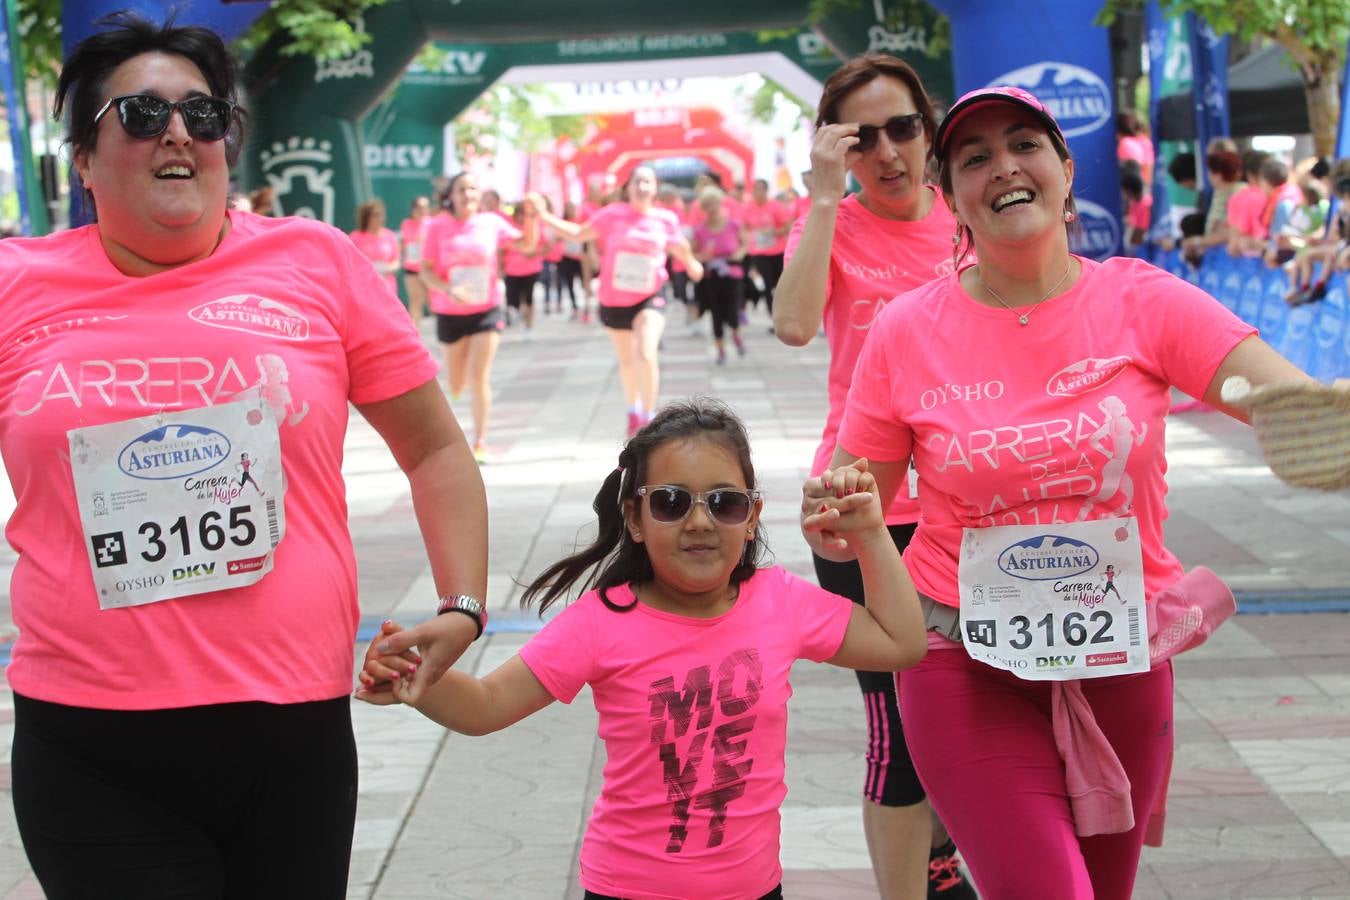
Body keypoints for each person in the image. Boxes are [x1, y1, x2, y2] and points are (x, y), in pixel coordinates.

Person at [0, 12, 489, 898]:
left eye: (205, 114)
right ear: (82, 158)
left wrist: (461, 607)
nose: (179, 132)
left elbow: (436, 452)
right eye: (143, 116)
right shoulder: (15, 286)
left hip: (290, 729)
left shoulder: (316, 260)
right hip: (90, 740)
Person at [812, 84, 1311, 899]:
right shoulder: (906, 329)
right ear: (951, 197)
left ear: (1066, 168)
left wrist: (1309, 418)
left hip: (1121, 652)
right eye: (975, 158)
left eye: (1024, 146)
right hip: (961, 657)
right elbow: (853, 493)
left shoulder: (1141, 300)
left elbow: (1290, 405)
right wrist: (840, 516)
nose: (1004, 168)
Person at [357, 398, 927, 900]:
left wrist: (871, 535)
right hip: (626, 892)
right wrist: (416, 676)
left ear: (752, 518)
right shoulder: (602, 621)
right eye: (672, 502)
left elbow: (901, 642)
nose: (700, 521)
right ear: (634, 517)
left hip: (755, 890)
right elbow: (484, 705)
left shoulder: (780, 601)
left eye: (725, 503)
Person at [773, 53, 975, 900]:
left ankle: (942, 859)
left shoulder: (974, 215)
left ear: (929, 129)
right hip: (866, 505)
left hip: (981, 501)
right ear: (839, 150)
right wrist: (824, 197)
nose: (889, 152)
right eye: (864, 139)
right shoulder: (835, 223)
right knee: (897, 722)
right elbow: (790, 324)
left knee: (974, 716)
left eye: (904, 128)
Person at [533, 167, 705, 437]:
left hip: (651, 295)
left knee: (646, 352)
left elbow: (679, 245)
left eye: (647, 181)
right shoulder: (612, 214)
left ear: (655, 188)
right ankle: (633, 409)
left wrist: (691, 262)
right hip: (614, 298)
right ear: (628, 188)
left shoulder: (665, 218)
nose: (642, 186)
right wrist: (544, 217)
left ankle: (650, 417)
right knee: (626, 360)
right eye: (637, 181)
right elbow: (578, 233)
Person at [420, 174, 536, 463]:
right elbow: (425, 270)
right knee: (457, 382)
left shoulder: (491, 222)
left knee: (478, 375)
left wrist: (532, 215)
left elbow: (526, 244)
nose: (468, 194)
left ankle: (480, 440)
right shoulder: (437, 226)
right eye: (462, 189)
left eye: (473, 188)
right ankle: (459, 396)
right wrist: (448, 289)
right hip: (450, 311)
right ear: (452, 195)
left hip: (487, 309)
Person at [691, 187, 749, 365]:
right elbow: (692, 254)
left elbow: (744, 244)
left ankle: (736, 334)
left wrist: (739, 254)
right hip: (711, 276)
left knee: (732, 311)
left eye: (714, 203)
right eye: (707, 205)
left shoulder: (733, 224)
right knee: (715, 313)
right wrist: (702, 257)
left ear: (720, 203)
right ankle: (721, 350)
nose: (712, 208)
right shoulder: (700, 230)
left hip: (732, 274)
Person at [501, 199, 545, 338]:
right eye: (520, 213)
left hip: (531, 270)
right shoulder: (509, 227)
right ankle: (521, 315)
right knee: (513, 300)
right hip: (512, 270)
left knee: (529, 299)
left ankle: (529, 327)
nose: (521, 217)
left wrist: (535, 252)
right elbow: (502, 247)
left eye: (524, 214)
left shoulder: (533, 226)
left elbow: (544, 245)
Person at [349, 198, 400, 296]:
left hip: (387, 287)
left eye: (381, 214)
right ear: (367, 217)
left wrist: (384, 269)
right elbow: (350, 262)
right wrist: (368, 269)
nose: (380, 218)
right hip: (364, 287)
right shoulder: (355, 237)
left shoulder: (390, 235)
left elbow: (396, 262)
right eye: (376, 215)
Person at [399, 194, 433, 323]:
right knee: (415, 301)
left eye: (425, 207)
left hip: (430, 269)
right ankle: (416, 335)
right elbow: (408, 241)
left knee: (433, 302)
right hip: (412, 269)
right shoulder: (406, 223)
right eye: (419, 207)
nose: (422, 210)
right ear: (413, 209)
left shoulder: (431, 223)